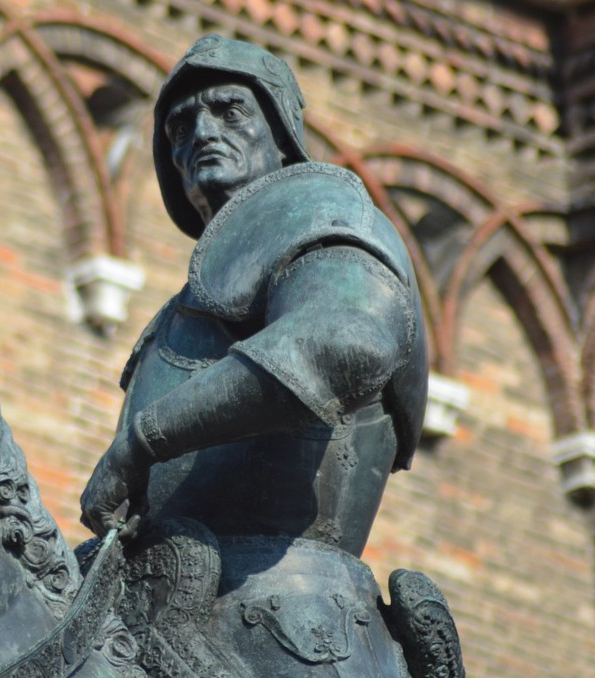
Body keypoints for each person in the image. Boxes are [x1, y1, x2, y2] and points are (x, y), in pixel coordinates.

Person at [80, 35, 459, 677]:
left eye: (229, 111)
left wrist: (141, 442)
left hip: (290, 626)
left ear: (280, 133)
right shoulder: (188, 307)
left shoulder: (326, 218)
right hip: (161, 605)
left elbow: (347, 341)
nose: (200, 132)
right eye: (180, 125)